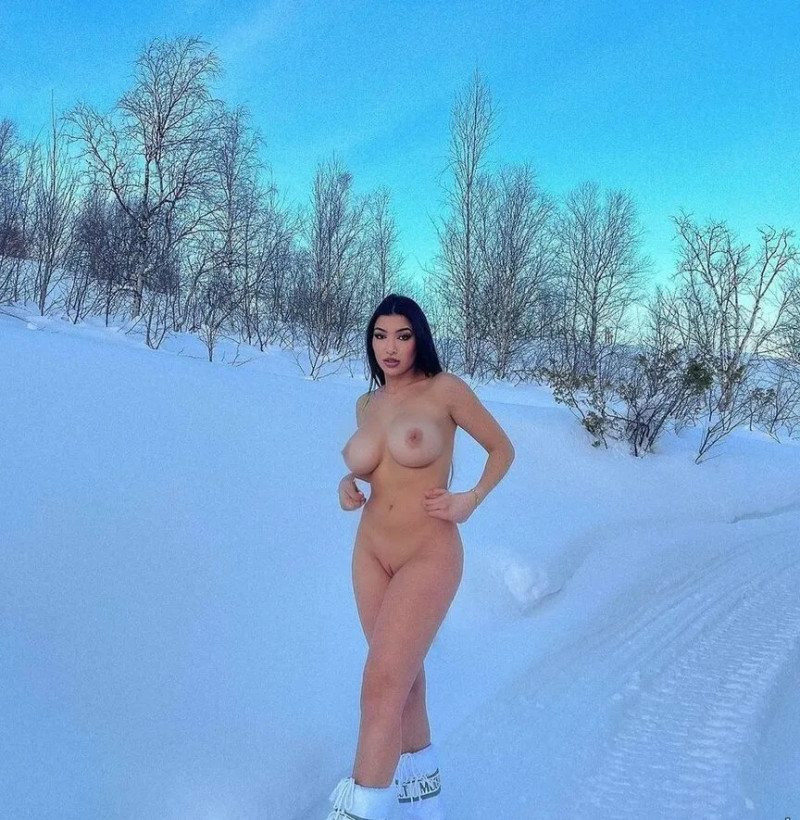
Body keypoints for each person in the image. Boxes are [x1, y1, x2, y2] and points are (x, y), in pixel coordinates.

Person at [326, 294, 514, 820]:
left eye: (403, 336)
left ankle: (360, 810)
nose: (390, 347)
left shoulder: (445, 390)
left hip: (428, 553)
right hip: (370, 552)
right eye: (380, 335)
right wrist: (347, 483)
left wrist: (471, 498)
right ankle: (423, 803)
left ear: (420, 340)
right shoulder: (367, 404)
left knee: (380, 686)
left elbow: (502, 449)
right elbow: (376, 469)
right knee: (402, 680)